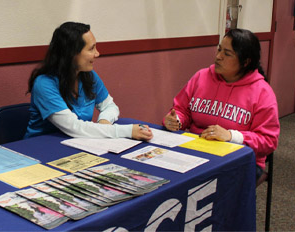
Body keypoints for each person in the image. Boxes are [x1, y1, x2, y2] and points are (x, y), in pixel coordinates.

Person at [162, 28, 279, 183]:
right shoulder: (201, 77)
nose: (218, 57)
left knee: (210, 190)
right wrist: (176, 120)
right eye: (219, 50)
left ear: (246, 61)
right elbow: (182, 110)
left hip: (240, 160)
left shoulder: (262, 92)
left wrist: (232, 136)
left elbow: (269, 140)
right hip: (197, 151)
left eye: (227, 54)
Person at [25, 22, 153, 141]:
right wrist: (128, 131)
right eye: (91, 49)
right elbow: (73, 127)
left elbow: (110, 106)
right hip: (41, 148)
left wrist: (104, 122)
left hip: (77, 145)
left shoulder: (88, 76)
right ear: (71, 53)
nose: (97, 54)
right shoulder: (44, 84)